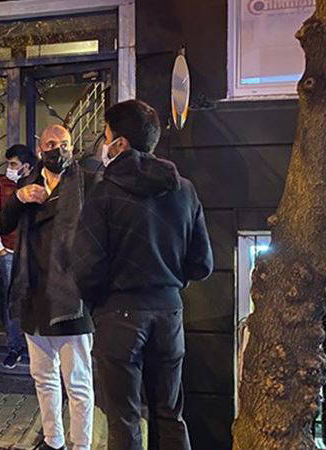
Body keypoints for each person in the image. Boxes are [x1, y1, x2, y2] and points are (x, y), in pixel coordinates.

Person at [72, 100, 213, 450]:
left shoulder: (103, 192)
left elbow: (86, 265)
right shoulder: (184, 189)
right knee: (170, 414)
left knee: (124, 418)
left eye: (106, 137)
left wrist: (100, 303)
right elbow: (202, 263)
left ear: (120, 144)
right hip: (169, 312)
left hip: (118, 314)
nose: (103, 145)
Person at [0, 125, 94, 450]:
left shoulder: (87, 182)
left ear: (72, 147)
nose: (58, 149)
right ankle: (53, 441)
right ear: (40, 148)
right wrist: (18, 198)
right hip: (32, 291)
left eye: (64, 144)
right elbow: (2, 224)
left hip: (71, 297)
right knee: (43, 378)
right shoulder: (27, 184)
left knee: (77, 382)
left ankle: (81, 445)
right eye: (52, 144)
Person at [0, 144, 35, 369]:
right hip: (9, 251)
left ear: (26, 165)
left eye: (13, 164)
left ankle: (36, 348)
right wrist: (0, 248)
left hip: (32, 253)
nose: (9, 168)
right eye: (8, 164)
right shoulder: (0, 185)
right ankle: (15, 347)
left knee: (34, 300)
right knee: (11, 302)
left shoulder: (37, 183)